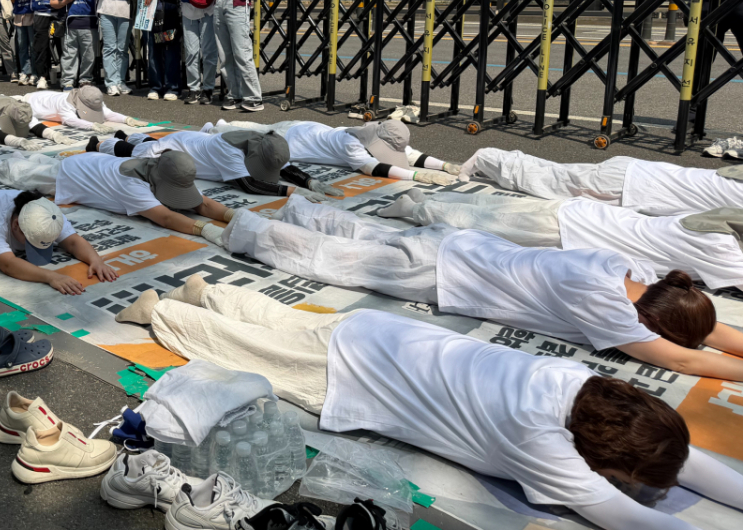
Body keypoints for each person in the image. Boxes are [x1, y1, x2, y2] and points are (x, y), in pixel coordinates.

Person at [137, 288, 743, 530]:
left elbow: (672, 452)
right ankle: (160, 308)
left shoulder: (587, 387)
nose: (623, 484)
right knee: (252, 349)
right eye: (624, 474)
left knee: (284, 324)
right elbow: (633, 520)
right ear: (607, 457)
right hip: (363, 376)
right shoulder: (543, 446)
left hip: (384, 335)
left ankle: (210, 289)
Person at [212, 193, 743, 380]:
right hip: (443, 275)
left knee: (365, 232)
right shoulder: (607, 311)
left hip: (463, 245)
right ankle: (240, 227)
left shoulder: (629, 273)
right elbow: (685, 360)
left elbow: (704, 326)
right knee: (336, 260)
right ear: (652, 323)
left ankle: (300, 207)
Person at [381, 188, 743, 290]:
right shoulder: (721, 248)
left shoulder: (707, 222)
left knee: (489, 208)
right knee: (486, 221)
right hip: (569, 231)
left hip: (580, 215)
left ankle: (429, 200)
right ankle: (416, 210)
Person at [0, 148, 233, 241]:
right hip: (74, 175)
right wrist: (205, 230)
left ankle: (29, 159)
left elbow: (201, 202)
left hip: (94, 162)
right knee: (22, 175)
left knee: (41, 165)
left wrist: (232, 215)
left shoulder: (168, 168)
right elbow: (164, 218)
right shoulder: (132, 185)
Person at [463, 147, 743, 215]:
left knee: (552, 177)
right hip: (628, 185)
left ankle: (493, 160)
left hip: (637, 182)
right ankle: (486, 158)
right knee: (548, 182)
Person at [98, 128, 328, 202]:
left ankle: (128, 134)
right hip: (173, 150)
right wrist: (292, 191)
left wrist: (309, 180)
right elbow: (247, 185)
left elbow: (284, 166)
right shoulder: (227, 150)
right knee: (136, 153)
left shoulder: (265, 142)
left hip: (188, 140)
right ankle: (99, 144)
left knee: (149, 142)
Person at [216, 117, 460, 184]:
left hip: (308, 129)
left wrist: (445, 166)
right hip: (293, 136)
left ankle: (221, 126)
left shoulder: (378, 132)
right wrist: (417, 176)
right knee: (253, 134)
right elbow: (371, 168)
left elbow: (410, 153)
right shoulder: (350, 142)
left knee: (260, 128)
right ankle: (216, 128)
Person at [211, 0, 263, 111]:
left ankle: (254, 97)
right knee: (225, 55)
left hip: (238, 4)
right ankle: (234, 94)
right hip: (220, 4)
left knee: (242, 52)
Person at [14, 0, 59, 90]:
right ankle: (42, 77)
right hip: (39, 15)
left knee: (62, 47)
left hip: (57, 15)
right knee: (40, 48)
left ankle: (65, 76)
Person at [53, 0, 97, 91]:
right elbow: (53, 2)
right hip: (69, 24)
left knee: (88, 55)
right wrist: (64, 2)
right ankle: (68, 81)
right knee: (68, 55)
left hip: (89, 23)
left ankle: (85, 80)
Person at [22, 85, 148, 133]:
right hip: (26, 101)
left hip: (44, 96)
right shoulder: (65, 103)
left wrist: (126, 119)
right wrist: (92, 126)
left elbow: (107, 113)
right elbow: (69, 120)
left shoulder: (91, 97)